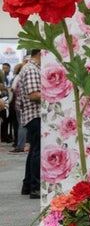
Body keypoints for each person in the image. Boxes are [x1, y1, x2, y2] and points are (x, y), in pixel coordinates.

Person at [17, 49, 41, 199]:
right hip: (35, 114)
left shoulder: (29, 68)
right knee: (38, 151)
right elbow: (33, 95)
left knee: (33, 150)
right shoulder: (32, 69)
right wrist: (53, 92)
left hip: (31, 115)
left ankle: (28, 184)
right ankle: (35, 186)